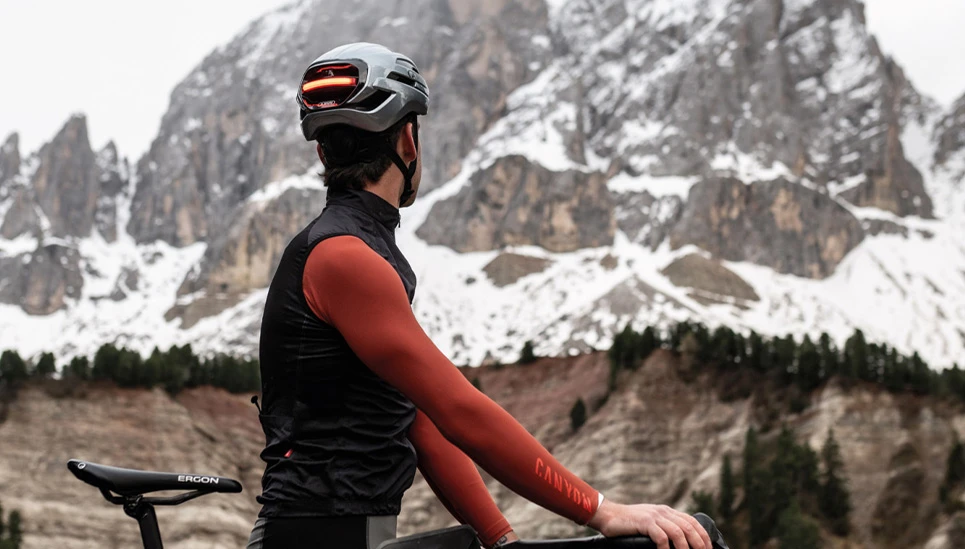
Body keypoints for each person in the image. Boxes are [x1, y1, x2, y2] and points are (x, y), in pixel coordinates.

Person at [246, 42, 711, 549]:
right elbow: (458, 410)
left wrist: (500, 539)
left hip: (348, 535)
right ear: (408, 141)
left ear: (321, 152)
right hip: (316, 538)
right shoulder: (344, 256)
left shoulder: (351, 248)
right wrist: (602, 511)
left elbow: (414, 418)